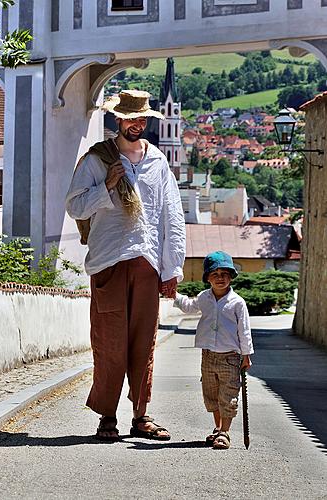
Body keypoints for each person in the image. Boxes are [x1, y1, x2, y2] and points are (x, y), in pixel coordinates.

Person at [66, 90, 186, 441]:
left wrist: (172, 268)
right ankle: (107, 417)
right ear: (118, 120)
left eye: (141, 119)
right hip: (108, 261)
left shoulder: (158, 162)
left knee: (143, 344)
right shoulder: (96, 160)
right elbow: (74, 207)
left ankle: (141, 415)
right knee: (109, 343)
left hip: (147, 263)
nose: (136, 124)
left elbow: (171, 217)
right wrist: (107, 185)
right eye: (130, 119)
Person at [173, 251, 253, 449]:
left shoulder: (237, 303)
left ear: (231, 276)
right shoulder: (204, 298)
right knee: (212, 396)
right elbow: (189, 307)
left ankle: (225, 432)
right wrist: (173, 295)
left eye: (224, 273)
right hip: (208, 355)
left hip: (230, 358)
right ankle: (218, 429)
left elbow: (244, 330)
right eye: (215, 274)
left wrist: (246, 355)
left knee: (228, 395)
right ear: (207, 277)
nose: (220, 278)